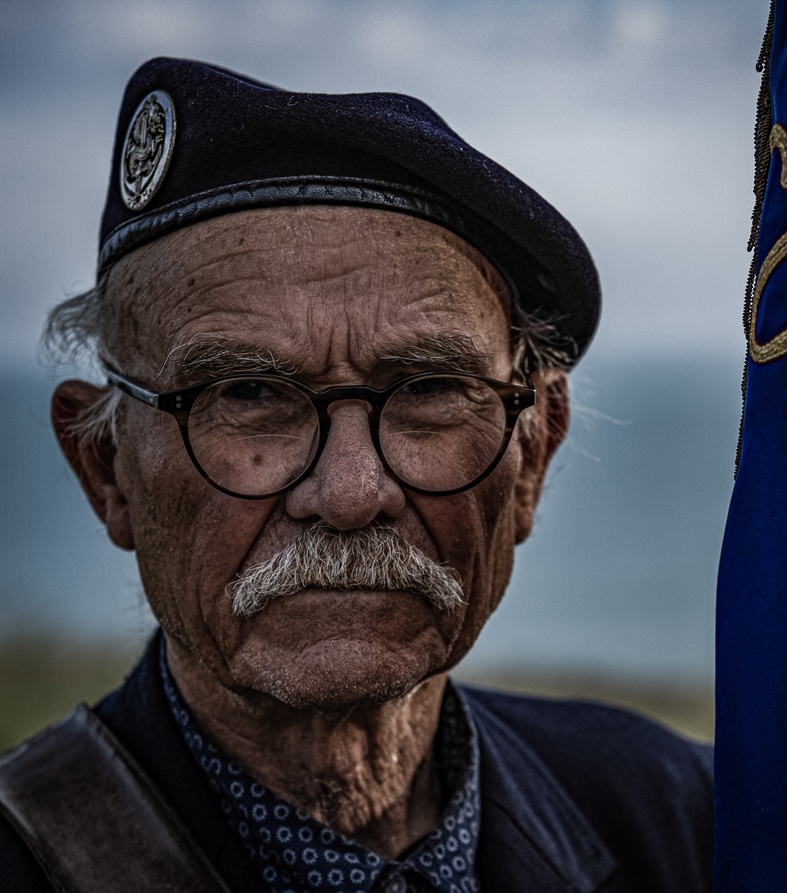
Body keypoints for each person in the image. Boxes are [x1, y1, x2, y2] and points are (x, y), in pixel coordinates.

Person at [0, 58, 713, 892]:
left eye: (429, 390)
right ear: (106, 470)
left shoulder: (681, 820)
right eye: (251, 393)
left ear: (534, 454)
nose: (348, 494)